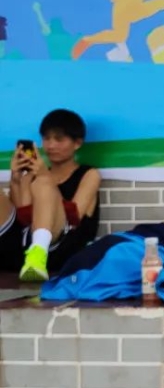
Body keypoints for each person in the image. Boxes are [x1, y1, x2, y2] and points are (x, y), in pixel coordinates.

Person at [0, 109, 101, 282]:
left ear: (77, 143)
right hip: (24, 246)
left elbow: (74, 218)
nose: (51, 145)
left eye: (59, 139)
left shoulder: (89, 174)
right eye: (46, 139)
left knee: (43, 185)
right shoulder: (32, 176)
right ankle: (33, 256)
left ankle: (38, 254)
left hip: (61, 248)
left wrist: (44, 176)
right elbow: (23, 217)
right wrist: (16, 179)